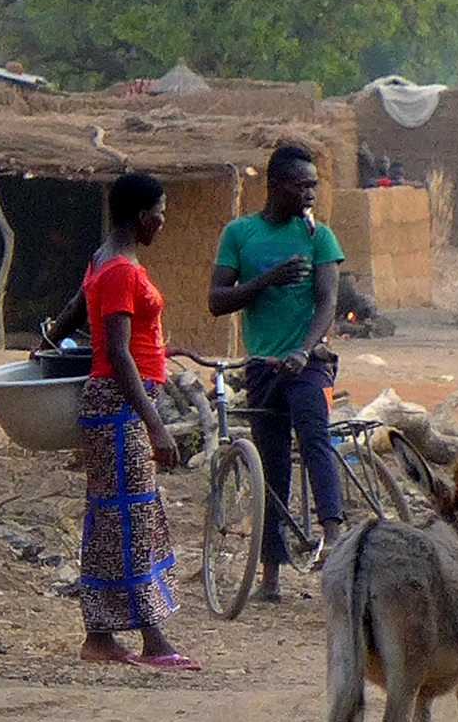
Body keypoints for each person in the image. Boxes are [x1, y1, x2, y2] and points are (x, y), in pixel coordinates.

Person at [44, 172, 197, 670]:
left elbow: (74, 308)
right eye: (161, 214)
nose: (163, 223)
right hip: (118, 406)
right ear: (141, 216)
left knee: (113, 519)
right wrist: (155, 423)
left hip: (119, 402)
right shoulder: (120, 271)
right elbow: (116, 352)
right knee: (129, 520)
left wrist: (47, 342)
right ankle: (151, 638)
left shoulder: (104, 259)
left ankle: (102, 635)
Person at [209, 143, 345, 603]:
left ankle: (334, 535)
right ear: (275, 185)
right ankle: (270, 573)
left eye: (313, 185)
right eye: (301, 184)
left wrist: (305, 352)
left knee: (313, 436)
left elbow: (327, 302)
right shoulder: (239, 234)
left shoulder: (318, 236)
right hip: (261, 366)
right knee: (270, 469)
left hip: (307, 364)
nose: (310, 192)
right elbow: (217, 300)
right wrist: (268, 279)